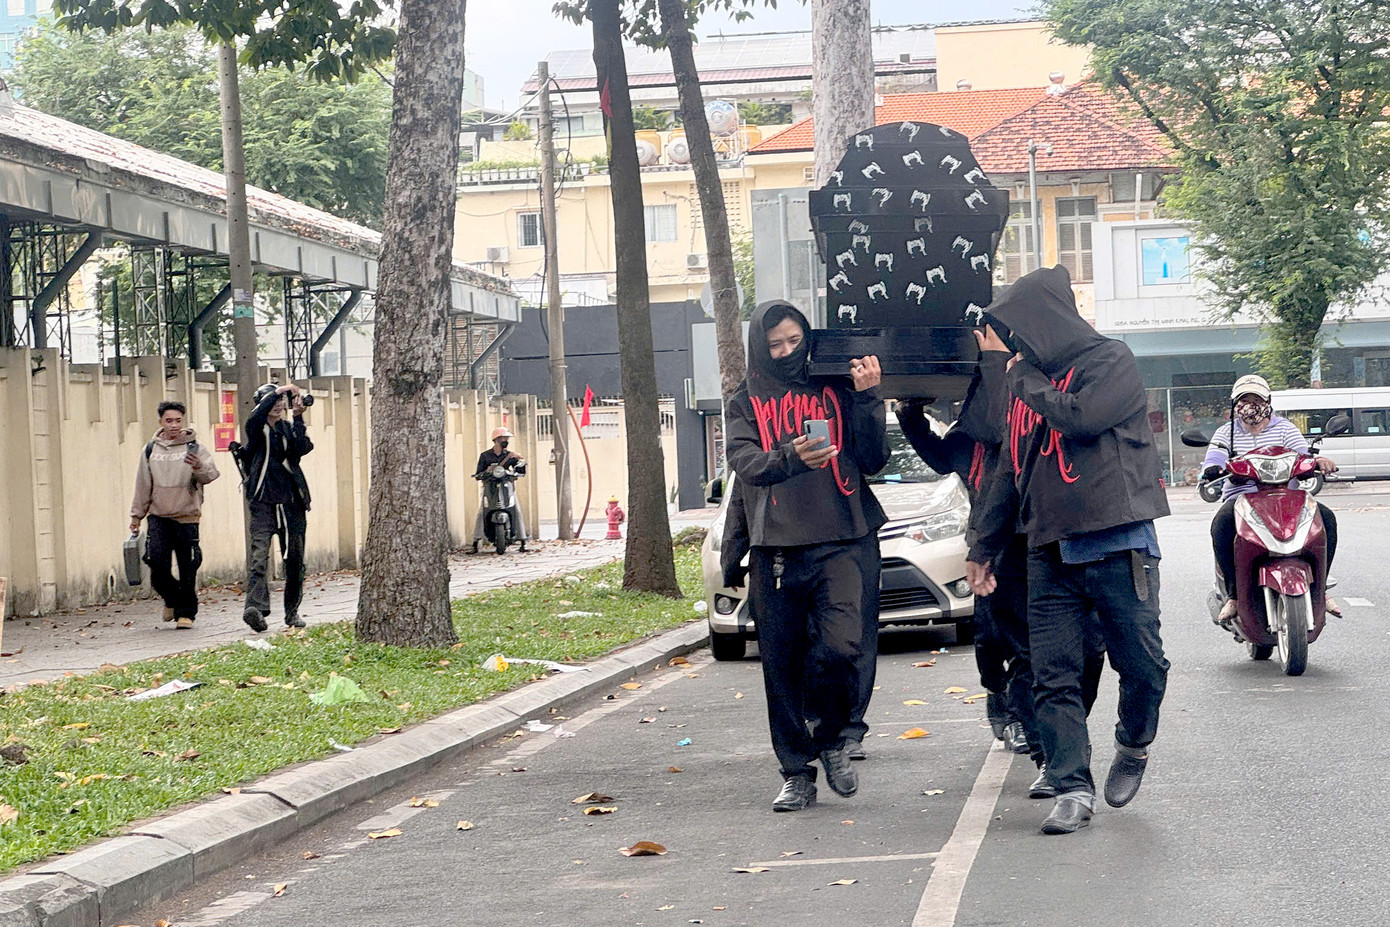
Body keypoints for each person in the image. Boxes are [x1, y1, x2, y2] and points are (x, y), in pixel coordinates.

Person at [967, 266, 1170, 836]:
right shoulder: (1023, 385)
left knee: (1142, 666)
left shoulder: (1112, 361)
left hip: (1118, 540)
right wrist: (983, 545)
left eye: (1019, 330)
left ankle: (1133, 742)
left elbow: (1082, 418)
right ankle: (1072, 787)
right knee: (1052, 674)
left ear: (1046, 322)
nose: (1015, 344)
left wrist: (1024, 379)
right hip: (1047, 547)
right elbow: (1009, 470)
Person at [725, 300, 890, 812]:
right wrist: (790, 457)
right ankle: (797, 771)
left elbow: (876, 460)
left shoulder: (838, 385)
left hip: (844, 536)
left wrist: (869, 400)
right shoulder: (745, 398)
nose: (787, 352)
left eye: (794, 341)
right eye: (775, 345)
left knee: (844, 647)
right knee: (781, 666)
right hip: (777, 547)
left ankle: (835, 737)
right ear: (760, 347)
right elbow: (744, 461)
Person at [897, 327, 1042, 765]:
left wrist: (997, 359)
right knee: (989, 635)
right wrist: (910, 414)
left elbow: (1004, 426)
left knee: (1024, 637)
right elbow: (939, 457)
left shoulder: (1016, 422)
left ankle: (1018, 714)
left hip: (1021, 541)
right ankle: (996, 693)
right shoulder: (964, 439)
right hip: (984, 545)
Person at [1203, 374, 1339, 627]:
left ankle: (1321, 588)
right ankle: (1233, 596)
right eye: (1244, 400)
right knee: (1221, 525)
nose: (1250, 405)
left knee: (1326, 518)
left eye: (1256, 399)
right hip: (1242, 499)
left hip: (1287, 497)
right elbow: (1214, 459)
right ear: (1235, 404)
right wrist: (1213, 469)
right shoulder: (1226, 432)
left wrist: (1319, 462)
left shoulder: (1285, 428)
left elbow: (1303, 454)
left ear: (1267, 401)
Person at [130, 401, 220, 630]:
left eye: (178, 420)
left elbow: (211, 475)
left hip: (187, 517)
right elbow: (142, 484)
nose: (174, 425)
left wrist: (199, 466)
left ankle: (186, 613)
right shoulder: (151, 449)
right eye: (169, 420)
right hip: (159, 516)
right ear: (160, 422)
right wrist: (136, 515)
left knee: (188, 567)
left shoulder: (195, 448)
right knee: (155, 562)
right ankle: (171, 598)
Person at [240, 383, 313, 632]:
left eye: (283, 401)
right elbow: (256, 416)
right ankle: (256, 609)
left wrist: (298, 416)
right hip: (263, 503)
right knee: (259, 558)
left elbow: (301, 448)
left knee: (294, 560)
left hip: (292, 503)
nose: (280, 404)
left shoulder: (286, 429)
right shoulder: (256, 428)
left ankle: (292, 611)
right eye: (275, 401)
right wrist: (282, 389)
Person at [472, 426, 527, 553]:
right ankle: (475, 541)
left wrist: (520, 459)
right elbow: (478, 473)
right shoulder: (485, 456)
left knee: (517, 510)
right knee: (481, 512)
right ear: (496, 440)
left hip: (507, 487)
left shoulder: (510, 455)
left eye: (506, 438)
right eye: (503, 438)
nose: (505, 441)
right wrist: (486, 471)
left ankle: (522, 540)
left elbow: (520, 470)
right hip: (490, 488)